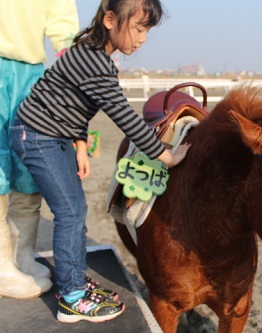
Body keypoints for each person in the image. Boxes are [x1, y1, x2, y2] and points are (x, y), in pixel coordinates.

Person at [11, 0, 190, 324]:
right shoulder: (94, 62)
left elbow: (71, 105)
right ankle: (72, 297)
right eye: (138, 28)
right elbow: (125, 117)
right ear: (110, 19)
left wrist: (80, 143)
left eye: (146, 31)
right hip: (37, 137)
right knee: (70, 211)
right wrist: (166, 155)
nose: (143, 38)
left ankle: (74, 279)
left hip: (54, 136)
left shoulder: (94, 56)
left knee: (75, 208)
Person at [0, 0, 79, 299]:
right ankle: (2, 267)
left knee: (28, 162)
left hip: (30, 70)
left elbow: (62, 21)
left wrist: (75, 56)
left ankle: (22, 256)